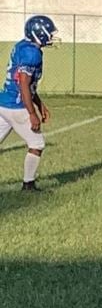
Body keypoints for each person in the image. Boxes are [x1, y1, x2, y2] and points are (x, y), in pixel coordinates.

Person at [0, 15, 58, 191]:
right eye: (49, 33)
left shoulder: (22, 46)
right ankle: (28, 184)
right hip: (16, 106)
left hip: (3, 103)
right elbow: (24, 83)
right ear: (39, 33)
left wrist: (40, 105)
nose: (51, 37)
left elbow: (27, 84)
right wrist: (32, 113)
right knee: (37, 144)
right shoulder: (32, 53)